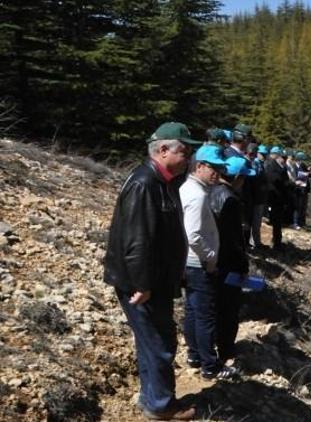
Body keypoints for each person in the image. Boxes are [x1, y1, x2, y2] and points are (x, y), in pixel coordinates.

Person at [103, 122, 199, 420]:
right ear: (163, 150)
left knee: (154, 340)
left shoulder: (164, 182)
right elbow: (137, 242)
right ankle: (160, 406)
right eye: (184, 150)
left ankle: (152, 398)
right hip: (142, 284)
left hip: (156, 280)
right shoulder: (145, 183)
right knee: (159, 342)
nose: (189, 157)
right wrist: (142, 285)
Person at [180, 144, 239, 380]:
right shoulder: (197, 195)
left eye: (220, 168)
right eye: (213, 167)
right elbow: (193, 234)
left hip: (189, 261)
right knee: (205, 315)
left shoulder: (188, 188)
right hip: (198, 263)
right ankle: (210, 365)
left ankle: (195, 355)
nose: (218, 172)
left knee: (193, 311)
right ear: (199, 166)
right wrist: (210, 257)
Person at [209, 156, 254, 363]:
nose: (244, 182)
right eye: (243, 177)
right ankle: (226, 351)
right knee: (228, 310)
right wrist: (243, 264)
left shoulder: (209, 190)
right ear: (236, 177)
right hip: (227, 262)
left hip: (211, 258)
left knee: (211, 307)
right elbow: (234, 239)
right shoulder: (230, 199)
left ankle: (205, 349)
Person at [265, 146, 292, 251]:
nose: (284, 159)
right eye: (283, 157)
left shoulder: (282, 167)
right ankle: (276, 242)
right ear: (278, 156)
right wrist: (287, 183)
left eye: (285, 158)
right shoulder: (271, 165)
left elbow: (285, 180)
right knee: (275, 221)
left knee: (278, 221)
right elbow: (274, 179)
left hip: (281, 197)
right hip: (273, 196)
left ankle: (278, 241)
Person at [247, 144, 269, 249]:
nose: (264, 156)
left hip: (259, 197)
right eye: (262, 154)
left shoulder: (261, 164)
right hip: (255, 197)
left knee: (257, 221)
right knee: (254, 221)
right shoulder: (255, 163)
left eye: (265, 154)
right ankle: (254, 242)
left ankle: (256, 241)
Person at [292, 151, 311, 229]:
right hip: (297, 189)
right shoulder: (294, 166)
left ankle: (302, 222)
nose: (302, 161)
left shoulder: (303, 165)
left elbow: (308, 174)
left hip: (304, 188)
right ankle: (295, 222)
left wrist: (310, 173)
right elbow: (295, 177)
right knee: (297, 207)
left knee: (303, 206)